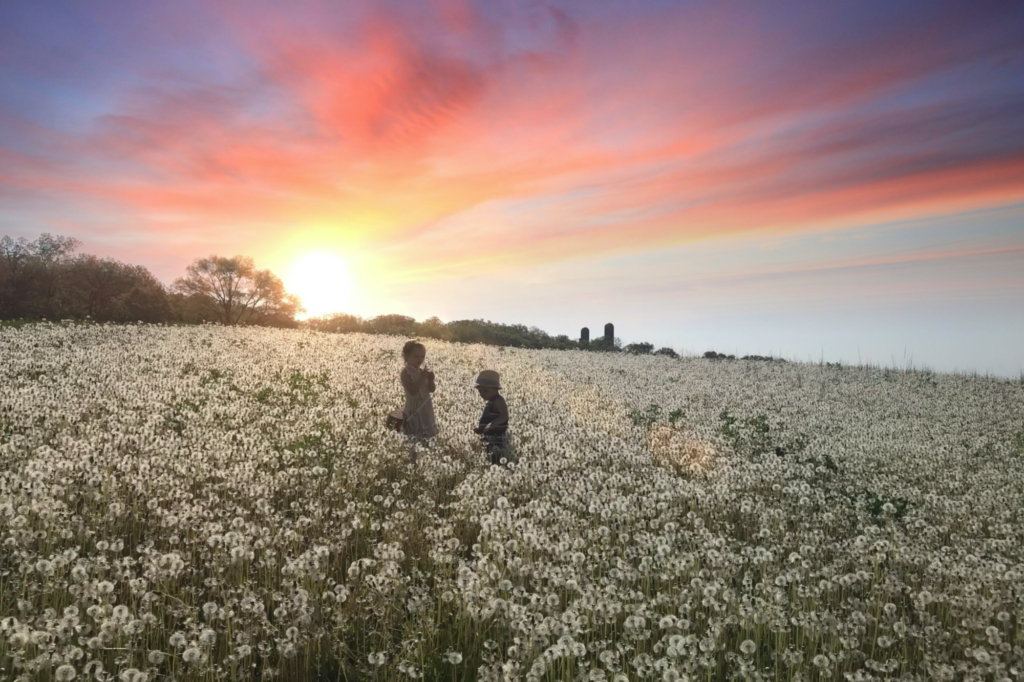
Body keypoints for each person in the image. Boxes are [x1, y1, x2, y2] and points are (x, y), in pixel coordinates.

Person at [400, 340, 438, 442]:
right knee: (414, 435)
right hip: (414, 408)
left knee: (428, 434)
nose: (420, 359)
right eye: (416, 356)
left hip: (426, 407)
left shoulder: (421, 371)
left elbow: (432, 389)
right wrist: (423, 378)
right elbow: (412, 390)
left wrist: (430, 380)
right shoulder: (405, 373)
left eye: (422, 356)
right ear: (407, 357)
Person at [473, 370, 508, 465]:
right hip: (488, 437)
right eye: (480, 391)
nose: (482, 394)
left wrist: (492, 425)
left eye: (485, 390)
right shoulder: (491, 402)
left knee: (496, 460)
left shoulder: (498, 400)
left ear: (496, 389)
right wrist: (481, 429)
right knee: (489, 459)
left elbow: (504, 416)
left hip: (497, 438)